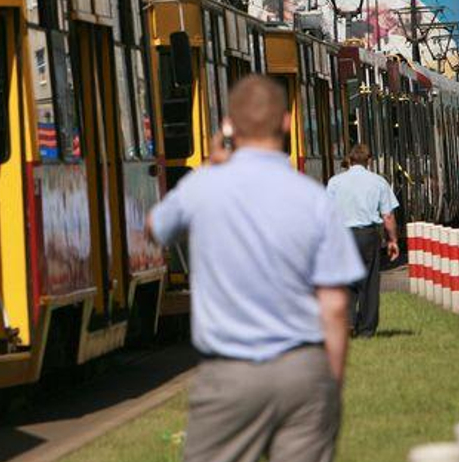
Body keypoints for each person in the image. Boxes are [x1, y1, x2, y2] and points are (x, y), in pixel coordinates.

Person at [146, 76, 364, 462]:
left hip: (228, 377)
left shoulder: (203, 188)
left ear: (229, 124)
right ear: (285, 123)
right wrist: (329, 382)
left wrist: (210, 166)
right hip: (303, 371)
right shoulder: (314, 199)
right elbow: (334, 305)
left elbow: (156, 228)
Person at [326, 144, 400, 339]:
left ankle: (348, 321)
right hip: (368, 236)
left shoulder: (335, 182)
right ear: (369, 161)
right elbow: (388, 216)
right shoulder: (378, 182)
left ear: (349, 160)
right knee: (368, 283)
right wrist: (392, 240)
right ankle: (366, 329)